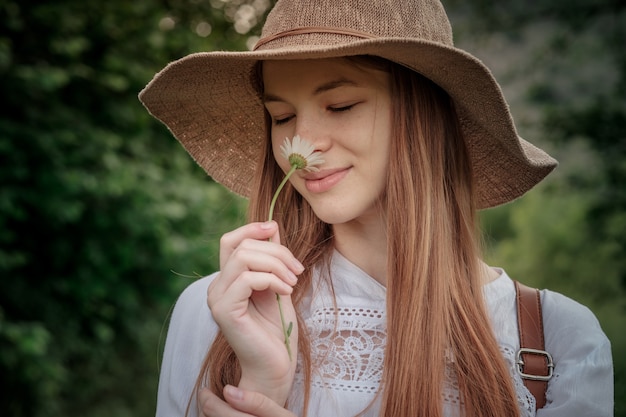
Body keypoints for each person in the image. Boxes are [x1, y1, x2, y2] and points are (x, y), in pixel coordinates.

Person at [139, 0, 614, 416]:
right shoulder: (222, 312)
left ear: (425, 117)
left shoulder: (558, 338)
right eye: (281, 116)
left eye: (341, 105)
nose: (301, 143)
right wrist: (260, 386)